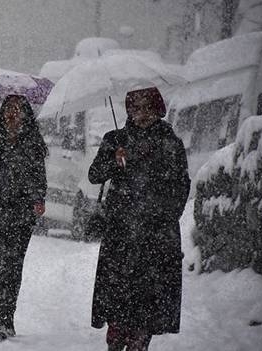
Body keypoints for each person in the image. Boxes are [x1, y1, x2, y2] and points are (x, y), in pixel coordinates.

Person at [88, 87, 190, 351]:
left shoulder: (170, 142)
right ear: (128, 110)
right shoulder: (115, 139)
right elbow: (94, 174)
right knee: (117, 296)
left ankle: (139, 344)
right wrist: (114, 159)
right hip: (121, 233)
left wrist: (165, 215)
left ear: (158, 109)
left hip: (156, 235)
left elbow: (181, 185)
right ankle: (116, 340)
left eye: (147, 108)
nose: (142, 114)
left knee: (148, 300)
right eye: (136, 108)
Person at [0, 94, 48, 341]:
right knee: (1, 262)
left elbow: (39, 177)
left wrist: (38, 200)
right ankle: (0, 319)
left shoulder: (33, 142)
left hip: (22, 214)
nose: (12, 114)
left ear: (26, 114)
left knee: (14, 264)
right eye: (9, 109)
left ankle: (8, 317)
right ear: (2, 112)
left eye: (18, 109)